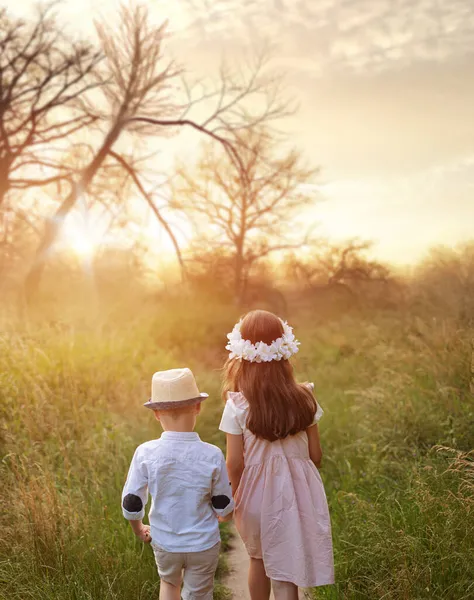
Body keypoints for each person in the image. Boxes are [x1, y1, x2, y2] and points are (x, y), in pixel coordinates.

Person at [219, 310, 334, 600]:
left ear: (242, 352)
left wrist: (233, 498)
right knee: (286, 567)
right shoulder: (305, 397)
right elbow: (316, 455)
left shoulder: (237, 404)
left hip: (255, 495)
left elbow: (234, 462)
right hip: (297, 493)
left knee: (258, 559)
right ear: (284, 349)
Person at [122, 367, 234, 600]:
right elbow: (223, 504)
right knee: (199, 593)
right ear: (197, 407)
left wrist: (139, 528)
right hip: (203, 543)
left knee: (169, 584)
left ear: (156, 414)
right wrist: (224, 516)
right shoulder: (212, 455)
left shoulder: (145, 452)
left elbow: (132, 502)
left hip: (165, 542)